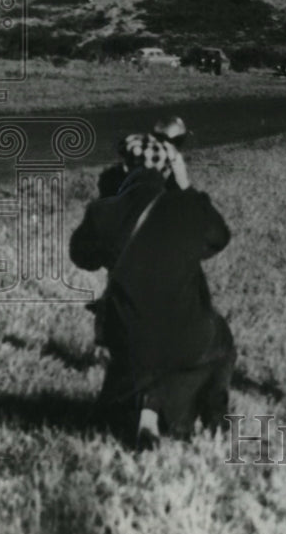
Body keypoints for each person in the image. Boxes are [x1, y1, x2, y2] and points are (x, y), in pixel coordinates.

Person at [71, 135, 235, 449]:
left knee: (144, 348)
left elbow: (82, 257)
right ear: (167, 170)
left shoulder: (102, 211)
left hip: (125, 338)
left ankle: (146, 410)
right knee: (221, 342)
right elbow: (220, 236)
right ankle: (213, 423)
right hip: (184, 337)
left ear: (123, 166)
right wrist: (185, 186)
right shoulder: (187, 206)